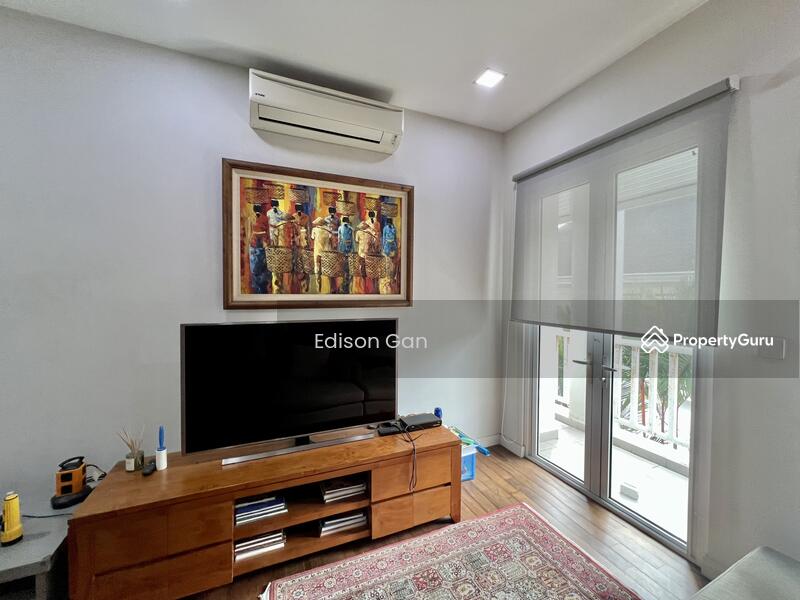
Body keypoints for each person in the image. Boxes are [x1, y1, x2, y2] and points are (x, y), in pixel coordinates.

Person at [248, 204, 270, 293]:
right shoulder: (265, 218)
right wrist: (267, 241)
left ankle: (257, 286)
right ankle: (261, 285)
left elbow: (249, 231)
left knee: (255, 265)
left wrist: (250, 240)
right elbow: (267, 232)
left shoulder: (251, 218)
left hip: (255, 244)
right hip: (260, 243)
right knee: (262, 264)